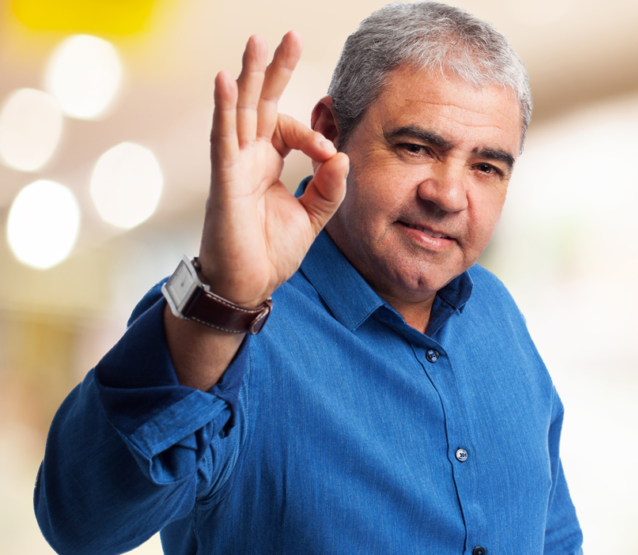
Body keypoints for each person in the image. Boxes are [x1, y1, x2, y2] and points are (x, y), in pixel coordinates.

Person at [33, 3, 583, 553]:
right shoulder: (221, 321)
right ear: (329, 134)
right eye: (417, 147)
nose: (448, 194)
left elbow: (552, 536)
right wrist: (225, 296)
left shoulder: (497, 313)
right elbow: (81, 524)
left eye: (486, 167)